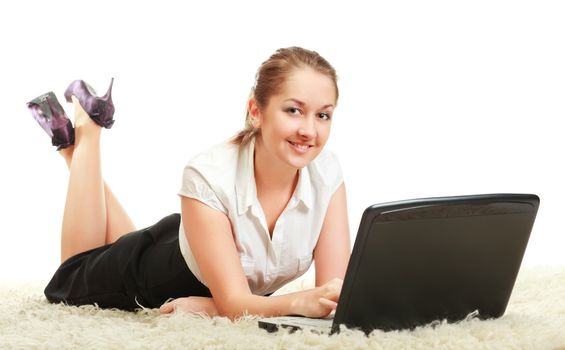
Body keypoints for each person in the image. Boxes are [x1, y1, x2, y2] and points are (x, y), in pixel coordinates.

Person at [28, 46, 351, 319]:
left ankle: (70, 148)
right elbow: (236, 304)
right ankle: (89, 129)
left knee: (118, 244)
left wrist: (215, 306)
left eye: (323, 115)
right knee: (68, 279)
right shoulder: (209, 174)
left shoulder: (326, 173)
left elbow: (335, 294)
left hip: (195, 240)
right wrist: (227, 305)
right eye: (294, 110)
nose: (310, 130)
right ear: (256, 111)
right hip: (148, 273)